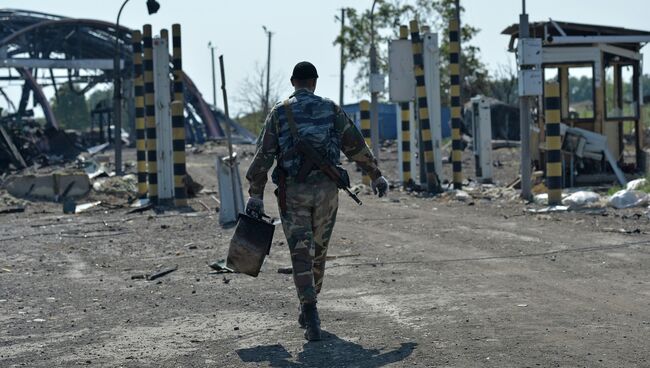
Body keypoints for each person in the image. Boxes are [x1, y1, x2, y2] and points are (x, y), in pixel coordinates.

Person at [245, 61, 388, 341]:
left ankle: (310, 312)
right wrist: (375, 175)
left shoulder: (279, 112)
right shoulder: (330, 108)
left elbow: (264, 155)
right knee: (318, 251)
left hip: (293, 193)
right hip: (326, 193)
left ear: (292, 81)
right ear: (314, 83)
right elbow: (355, 144)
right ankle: (310, 305)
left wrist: (255, 195)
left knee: (301, 252)